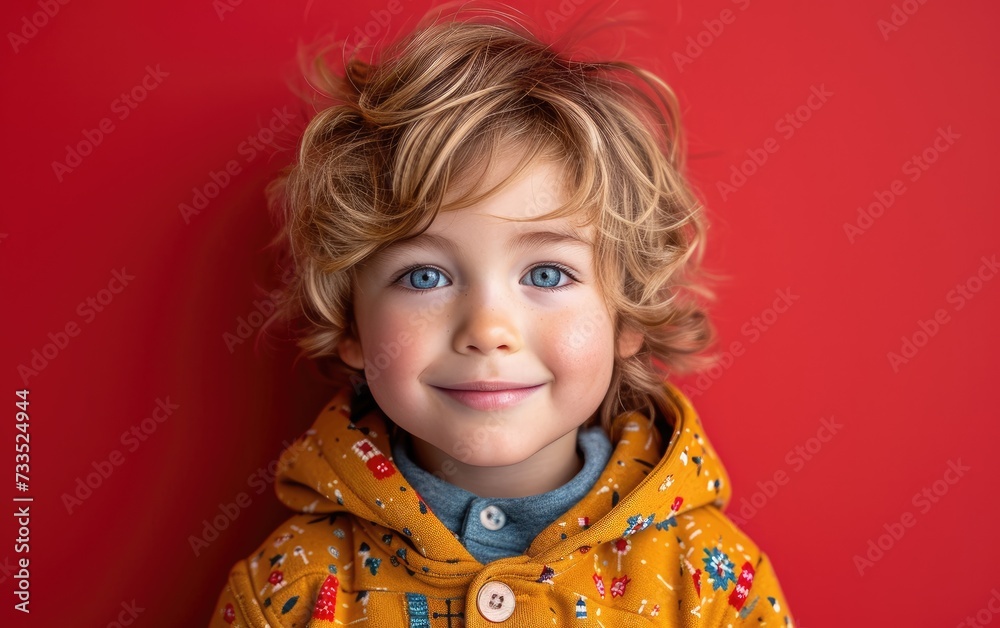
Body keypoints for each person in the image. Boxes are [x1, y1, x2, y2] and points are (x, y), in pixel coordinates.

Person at [209, 4, 793, 626]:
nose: (487, 330)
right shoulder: (287, 588)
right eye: (425, 276)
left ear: (627, 319)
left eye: (546, 274)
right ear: (351, 322)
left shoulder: (712, 583)